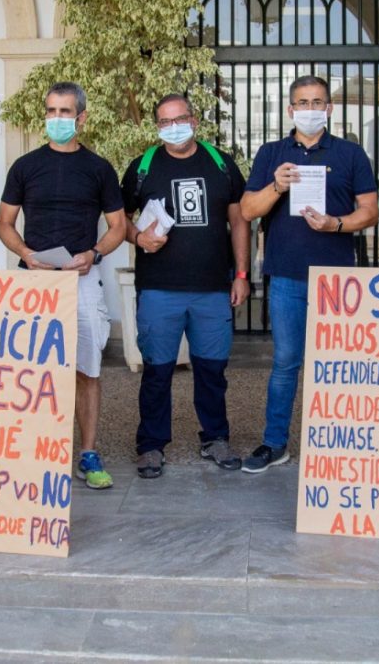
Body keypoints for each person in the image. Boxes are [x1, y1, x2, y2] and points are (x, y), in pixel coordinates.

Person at [239, 75, 379, 473]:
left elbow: (370, 210)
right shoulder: (271, 154)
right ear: (290, 110)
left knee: (337, 364)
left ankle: (339, 444)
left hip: (338, 280)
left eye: (318, 101)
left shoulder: (352, 154)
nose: (310, 109)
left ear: (329, 109)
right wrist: (276, 187)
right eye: (302, 102)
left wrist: (336, 224)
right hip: (286, 276)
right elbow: (248, 210)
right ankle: (274, 442)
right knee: (285, 361)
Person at [0, 81, 126, 490]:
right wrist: (26, 253)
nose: (56, 119)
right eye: (51, 111)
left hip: (81, 280)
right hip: (34, 279)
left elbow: (118, 227)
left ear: (81, 118)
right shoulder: (24, 166)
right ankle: (32, 452)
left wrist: (94, 255)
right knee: (28, 368)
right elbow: (5, 223)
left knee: (86, 367)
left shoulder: (99, 169)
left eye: (65, 112)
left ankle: (88, 453)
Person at [120, 94, 251, 479]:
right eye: (164, 122)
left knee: (212, 370)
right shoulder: (143, 167)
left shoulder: (220, 164)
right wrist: (138, 238)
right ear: (157, 126)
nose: (172, 127)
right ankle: (151, 445)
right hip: (159, 288)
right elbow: (118, 218)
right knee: (157, 371)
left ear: (194, 121)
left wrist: (241, 274)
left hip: (211, 288)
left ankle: (215, 438)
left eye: (179, 119)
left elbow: (240, 221)